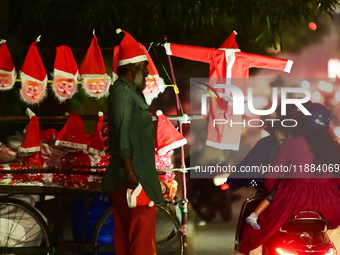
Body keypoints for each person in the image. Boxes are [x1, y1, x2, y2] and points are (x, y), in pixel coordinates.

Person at [239, 103, 340, 255]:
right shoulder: (335, 147)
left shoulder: (290, 144)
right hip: (329, 205)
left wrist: (277, 190)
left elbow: (270, 179)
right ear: (327, 123)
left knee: (254, 231)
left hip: (291, 202)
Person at [101, 29, 164, 255]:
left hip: (137, 172)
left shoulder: (131, 92)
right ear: (132, 67)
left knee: (131, 237)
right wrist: (130, 174)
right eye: (144, 66)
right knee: (141, 236)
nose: (147, 71)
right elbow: (121, 134)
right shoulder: (122, 94)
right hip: (133, 176)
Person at [245, 117, 300, 230]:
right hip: (282, 178)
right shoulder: (281, 145)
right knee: (273, 195)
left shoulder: (282, 146)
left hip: (283, 178)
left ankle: (255, 214)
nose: (275, 133)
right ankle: (254, 215)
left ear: (287, 132)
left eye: (278, 130)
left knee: (274, 195)